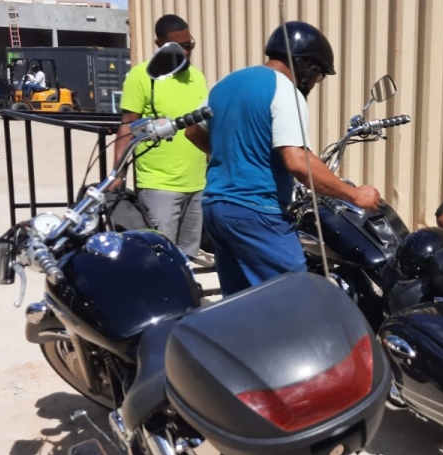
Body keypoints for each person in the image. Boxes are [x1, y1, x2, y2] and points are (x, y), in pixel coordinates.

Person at [185, 21, 381, 295]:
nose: (314, 83)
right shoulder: (285, 90)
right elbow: (298, 161)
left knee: (242, 301)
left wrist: (234, 155)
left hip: (216, 208)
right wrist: (354, 195)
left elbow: (193, 132)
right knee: (295, 297)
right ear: (307, 65)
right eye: (318, 75)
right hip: (255, 211)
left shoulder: (225, 85)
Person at [113, 15, 208, 257]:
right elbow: (127, 126)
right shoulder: (141, 75)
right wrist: (118, 172)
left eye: (190, 45)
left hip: (197, 184)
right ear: (160, 44)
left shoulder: (197, 77)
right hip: (159, 185)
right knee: (160, 257)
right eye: (180, 47)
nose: (186, 52)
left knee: (187, 259)